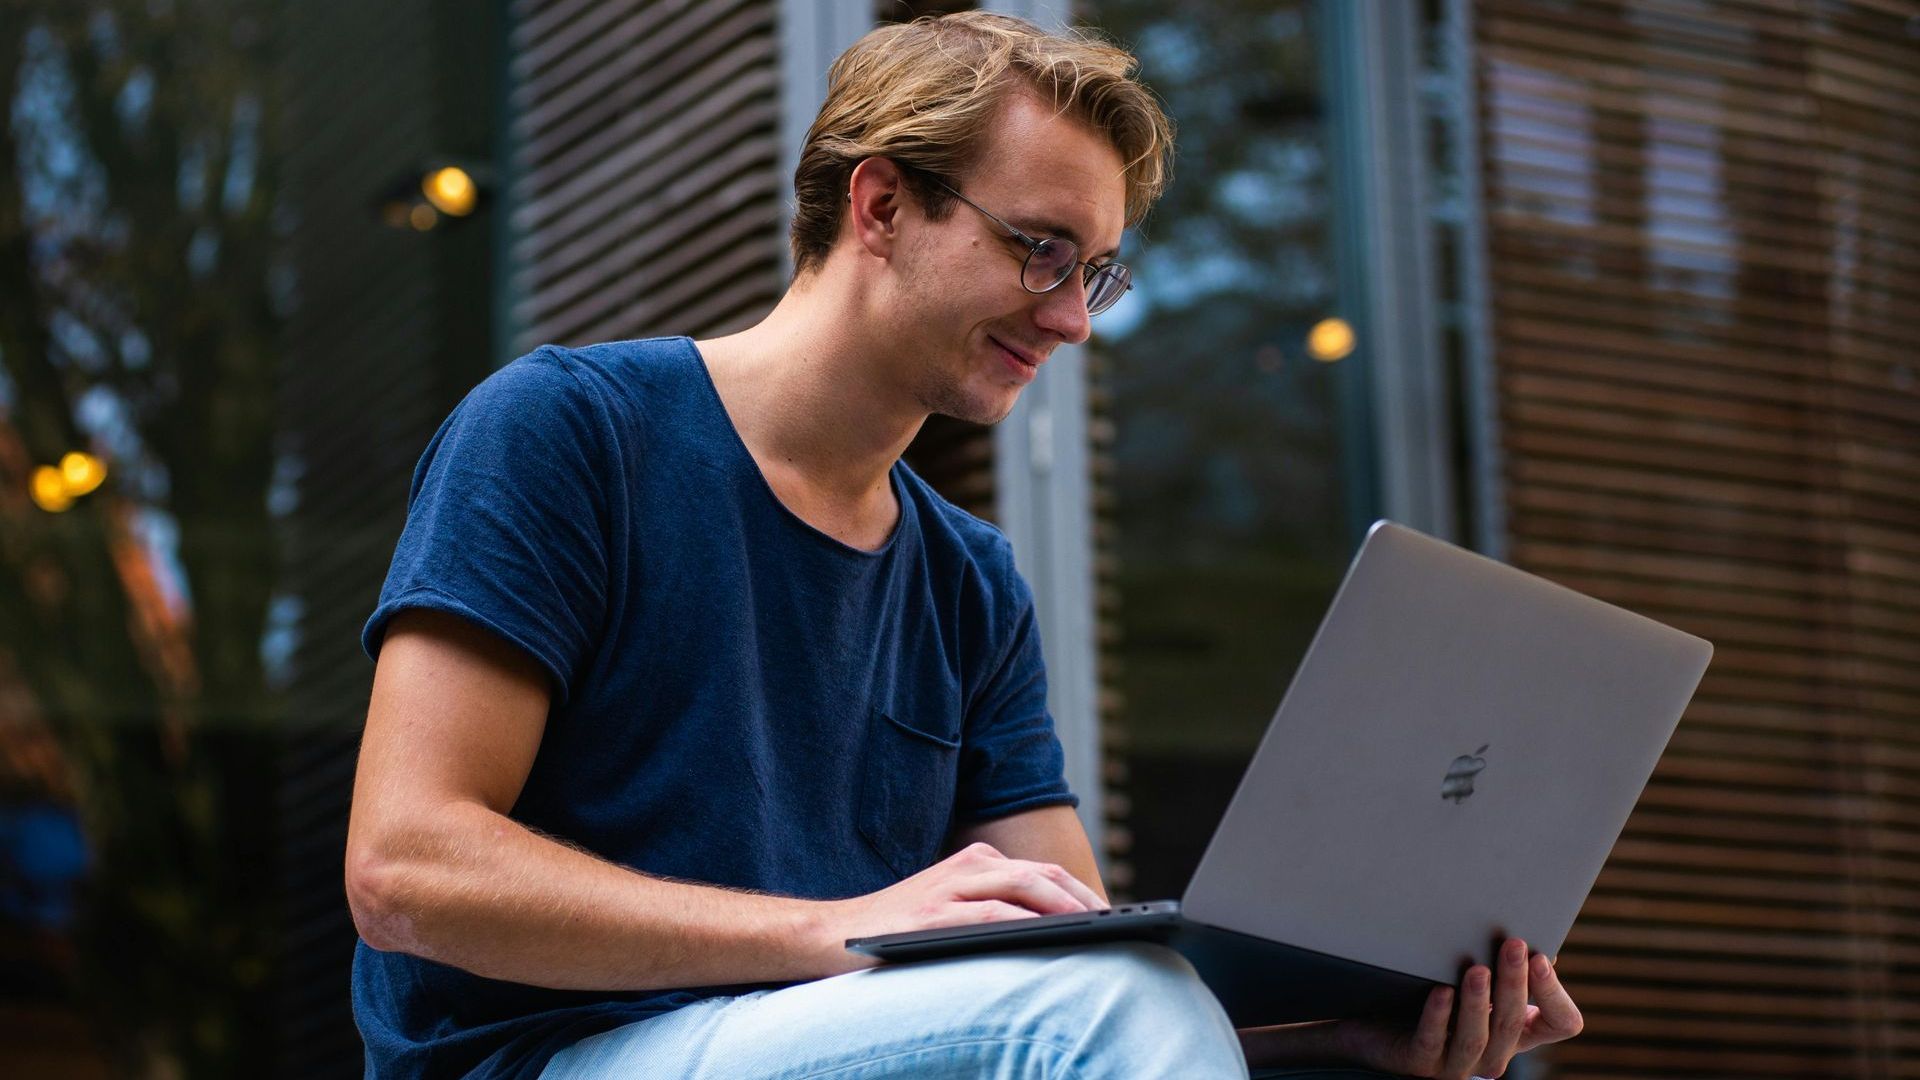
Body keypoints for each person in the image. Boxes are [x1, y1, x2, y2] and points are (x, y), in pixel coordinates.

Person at [343, 11, 1584, 1080]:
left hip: (815, 1040)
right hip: (544, 1057)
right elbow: (405, 870)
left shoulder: (969, 581)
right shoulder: (570, 433)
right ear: (881, 205)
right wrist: (838, 930)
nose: (1069, 320)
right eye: (1040, 248)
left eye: (1096, 274)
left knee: (1123, 983)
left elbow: (1073, 986)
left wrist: (1338, 1042)